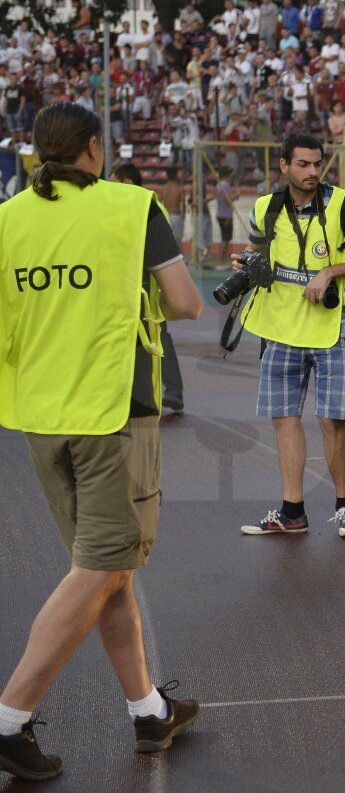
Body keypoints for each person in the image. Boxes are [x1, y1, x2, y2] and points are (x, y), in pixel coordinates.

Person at [0, 101, 204, 782]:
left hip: (38, 412)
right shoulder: (129, 206)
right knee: (103, 566)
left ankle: (147, 710)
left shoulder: (8, 218)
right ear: (94, 147)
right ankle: (9, 717)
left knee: (105, 568)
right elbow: (185, 301)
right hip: (114, 410)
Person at [236, 132, 345, 537]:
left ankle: (344, 507)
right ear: (283, 165)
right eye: (303, 164)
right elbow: (257, 251)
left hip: (332, 325)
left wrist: (330, 271)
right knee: (284, 419)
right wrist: (248, 263)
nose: (312, 172)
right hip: (280, 326)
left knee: (330, 418)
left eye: (317, 164)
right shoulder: (264, 207)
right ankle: (292, 510)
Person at [113, 163, 187, 415]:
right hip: (144, 283)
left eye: (115, 181)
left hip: (149, 285)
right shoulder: (146, 205)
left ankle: (168, 393)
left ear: (127, 183)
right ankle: (165, 392)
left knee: (158, 336)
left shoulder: (148, 207)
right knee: (154, 338)